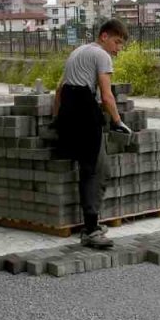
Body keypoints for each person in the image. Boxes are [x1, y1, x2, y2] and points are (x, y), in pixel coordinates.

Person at [52, 19, 132, 248]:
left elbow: (59, 90)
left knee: (91, 169)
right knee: (96, 172)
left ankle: (91, 224)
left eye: (121, 45)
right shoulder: (101, 55)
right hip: (85, 114)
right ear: (104, 36)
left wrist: (57, 120)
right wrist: (118, 122)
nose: (117, 49)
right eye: (116, 42)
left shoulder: (77, 52)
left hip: (69, 112)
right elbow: (106, 96)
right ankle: (91, 230)